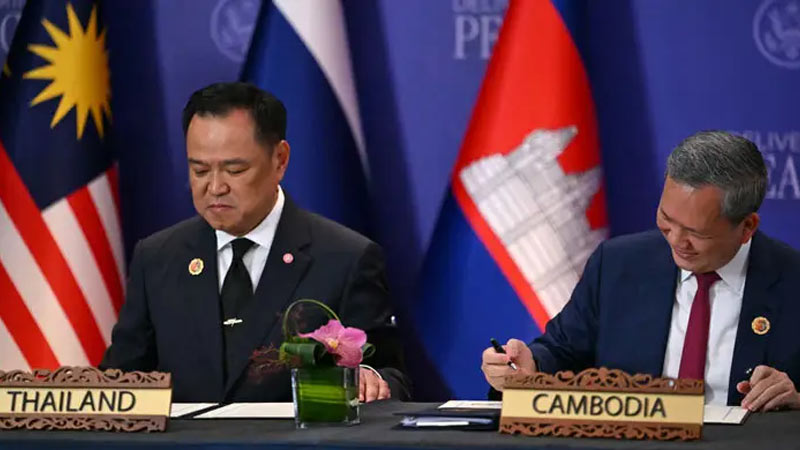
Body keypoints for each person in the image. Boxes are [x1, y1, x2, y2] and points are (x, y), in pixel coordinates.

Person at [101, 82, 410, 403]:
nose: (215, 187)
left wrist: (371, 379)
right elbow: (118, 383)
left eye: (234, 170)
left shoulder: (346, 258)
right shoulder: (157, 258)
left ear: (280, 160)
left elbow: (391, 376)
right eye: (200, 170)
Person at [481, 130, 800, 411]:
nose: (676, 241)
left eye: (696, 233)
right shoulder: (618, 264)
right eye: (666, 220)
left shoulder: (792, 280)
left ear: (747, 227)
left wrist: (796, 398)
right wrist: (529, 366)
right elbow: (562, 351)